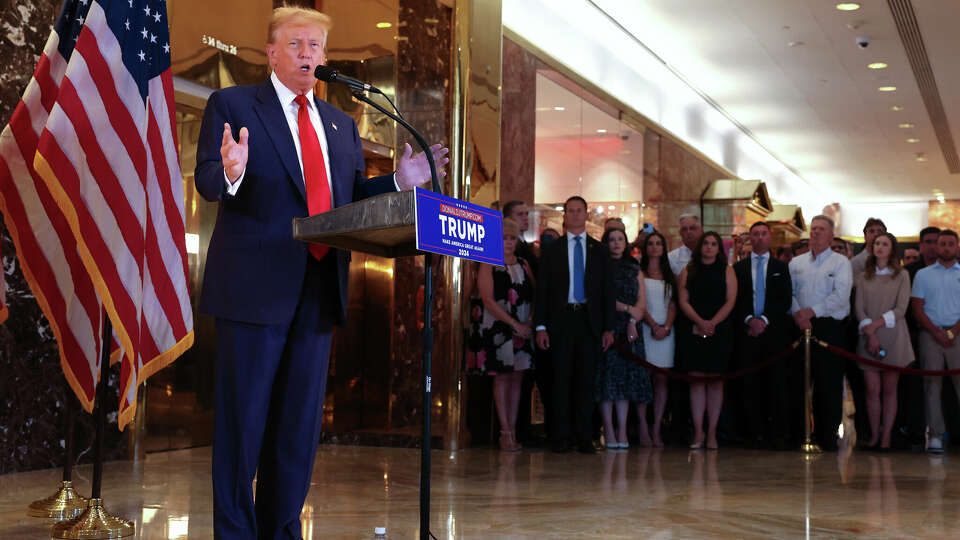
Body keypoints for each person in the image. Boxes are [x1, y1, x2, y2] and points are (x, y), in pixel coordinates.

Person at [194, 7, 449, 537]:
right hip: (253, 293)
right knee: (242, 431)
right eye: (297, 44)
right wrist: (232, 173)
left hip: (318, 293)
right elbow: (208, 180)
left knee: (296, 431)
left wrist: (399, 181)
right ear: (271, 50)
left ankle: (282, 530)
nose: (308, 54)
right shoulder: (234, 104)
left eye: (316, 47)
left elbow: (348, 201)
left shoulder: (340, 124)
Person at [535, 196, 615, 454]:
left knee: (585, 380)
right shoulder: (552, 250)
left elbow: (607, 292)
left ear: (586, 215)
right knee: (560, 379)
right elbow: (543, 291)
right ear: (565, 216)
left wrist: (609, 328)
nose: (576, 215)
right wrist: (540, 327)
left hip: (589, 321)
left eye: (580, 211)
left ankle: (584, 437)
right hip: (561, 321)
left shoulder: (599, 250)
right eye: (571, 211)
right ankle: (560, 437)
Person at [789, 215, 853, 451]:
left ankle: (827, 437)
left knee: (829, 385)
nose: (815, 233)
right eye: (813, 229)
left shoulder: (840, 263)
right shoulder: (796, 263)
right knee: (799, 383)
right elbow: (790, 293)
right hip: (799, 326)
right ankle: (800, 434)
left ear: (830, 235)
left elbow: (841, 296)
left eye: (821, 229)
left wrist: (811, 312)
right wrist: (799, 314)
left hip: (828, 327)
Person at [476, 218, 535, 452]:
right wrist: (513, 324)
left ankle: (513, 429)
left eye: (512, 238)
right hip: (499, 327)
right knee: (501, 377)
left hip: (523, 326)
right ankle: (505, 431)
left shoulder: (524, 263)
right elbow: (487, 299)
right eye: (504, 238)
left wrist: (529, 321)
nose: (508, 242)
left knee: (517, 379)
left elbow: (534, 293)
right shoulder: (488, 262)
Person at [733, 222, 793, 449]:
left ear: (770, 237)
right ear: (750, 238)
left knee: (776, 382)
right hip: (748, 332)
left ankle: (776, 433)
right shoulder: (739, 268)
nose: (759, 238)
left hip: (773, 333)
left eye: (763, 234)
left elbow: (784, 299)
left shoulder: (781, 267)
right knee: (749, 384)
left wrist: (765, 320)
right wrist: (750, 320)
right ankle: (752, 432)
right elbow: (735, 300)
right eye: (755, 234)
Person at [677, 231, 737, 450]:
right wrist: (700, 321)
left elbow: (731, 300)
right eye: (706, 244)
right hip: (693, 327)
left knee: (715, 381)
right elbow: (683, 300)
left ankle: (712, 433)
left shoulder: (727, 270)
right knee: (696, 380)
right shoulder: (688, 270)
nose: (709, 247)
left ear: (719, 248)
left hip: (719, 330)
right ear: (700, 247)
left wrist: (712, 322)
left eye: (714, 244)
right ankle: (698, 432)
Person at [854, 232, 914, 450]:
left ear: (892, 249)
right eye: (877, 243)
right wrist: (870, 333)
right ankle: (873, 435)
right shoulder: (863, 276)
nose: (879, 247)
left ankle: (886, 436)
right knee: (871, 390)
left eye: (884, 244)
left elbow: (901, 309)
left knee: (890, 390)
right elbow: (859, 308)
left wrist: (876, 325)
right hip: (868, 336)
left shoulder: (902, 275)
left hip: (893, 335)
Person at [595, 228, 652, 449]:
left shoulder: (634, 268)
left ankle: (622, 429)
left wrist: (632, 317)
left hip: (630, 330)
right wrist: (626, 309)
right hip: (607, 328)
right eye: (612, 240)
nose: (616, 243)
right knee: (607, 380)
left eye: (620, 239)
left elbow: (641, 303)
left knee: (626, 381)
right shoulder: (600, 268)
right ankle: (608, 428)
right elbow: (601, 299)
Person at [910, 229, 960, 453]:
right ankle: (937, 435)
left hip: (958, 335)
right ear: (936, 247)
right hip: (930, 335)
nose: (946, 247)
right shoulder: (923, 274)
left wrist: (953, 332)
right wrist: (936, 332)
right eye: (943, 244)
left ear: (957, 247)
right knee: (932, 386)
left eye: (951, 243)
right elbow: (917, 308)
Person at [640, 231, 677, 448]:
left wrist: (666, 326)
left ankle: (656, 427)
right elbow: (639, 303)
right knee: (645, 379)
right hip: (647, 329)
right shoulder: (640, 272)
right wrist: (653, 325)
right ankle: (643, 426)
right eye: (651, 243)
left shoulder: (669, 274)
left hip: (666, 331)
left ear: (664, 248)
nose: (654, 247)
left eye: (658, 243)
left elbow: (673, 304)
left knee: (662, 380)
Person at [503, 200, 537, 275]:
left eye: (526, 214)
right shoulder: (508, 245)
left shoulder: (523, 242)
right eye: (520, 214)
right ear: (509, 219)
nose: (525, 218)